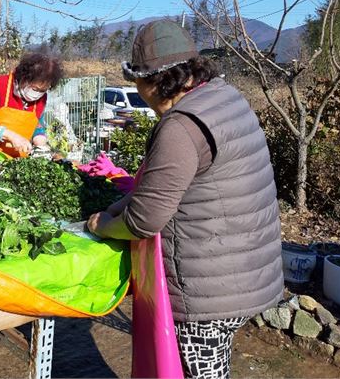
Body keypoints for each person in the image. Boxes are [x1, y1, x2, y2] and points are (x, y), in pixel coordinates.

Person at [86, 19, 283, 378]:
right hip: (244, 273)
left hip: (207, 292)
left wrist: (101, 224)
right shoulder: (223, 96)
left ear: (151, 82)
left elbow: (144, 219)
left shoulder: (180, 126)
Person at [0, 53, 63, 157]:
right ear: (23, 77)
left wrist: (39, 139)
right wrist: (11, 136)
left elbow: (37, 124)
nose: (37, 94)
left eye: (43, 90)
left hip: (17, 161)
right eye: (34, 89)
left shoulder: (41, 98)